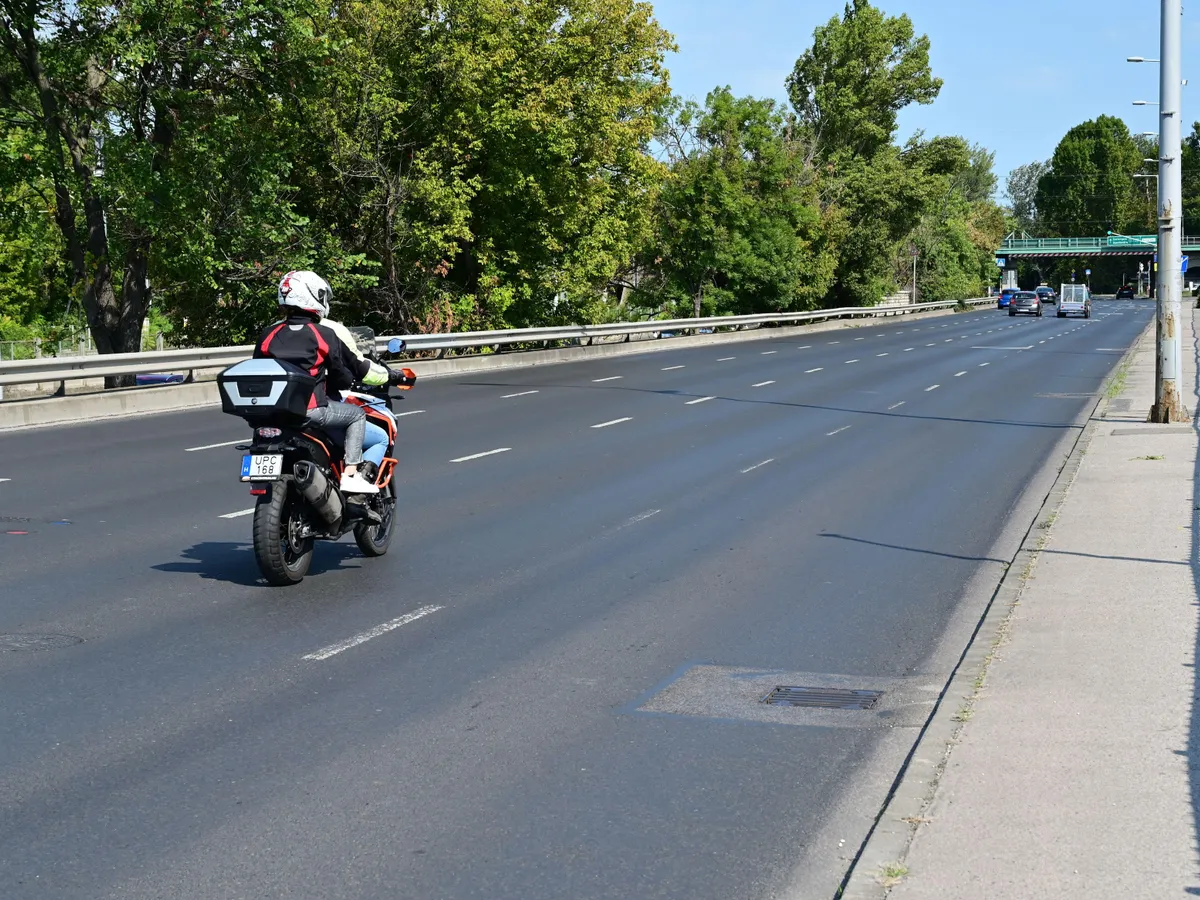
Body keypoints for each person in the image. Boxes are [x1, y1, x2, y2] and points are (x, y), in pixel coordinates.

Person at [254, 271, 381, 495]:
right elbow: (342, 372)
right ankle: (351, 475)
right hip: (310, 410)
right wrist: (345, 380)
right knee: (356, 415)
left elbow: (258, 368)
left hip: (272, 412)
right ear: (312, 296)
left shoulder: (268, 334)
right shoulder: (322, 333)